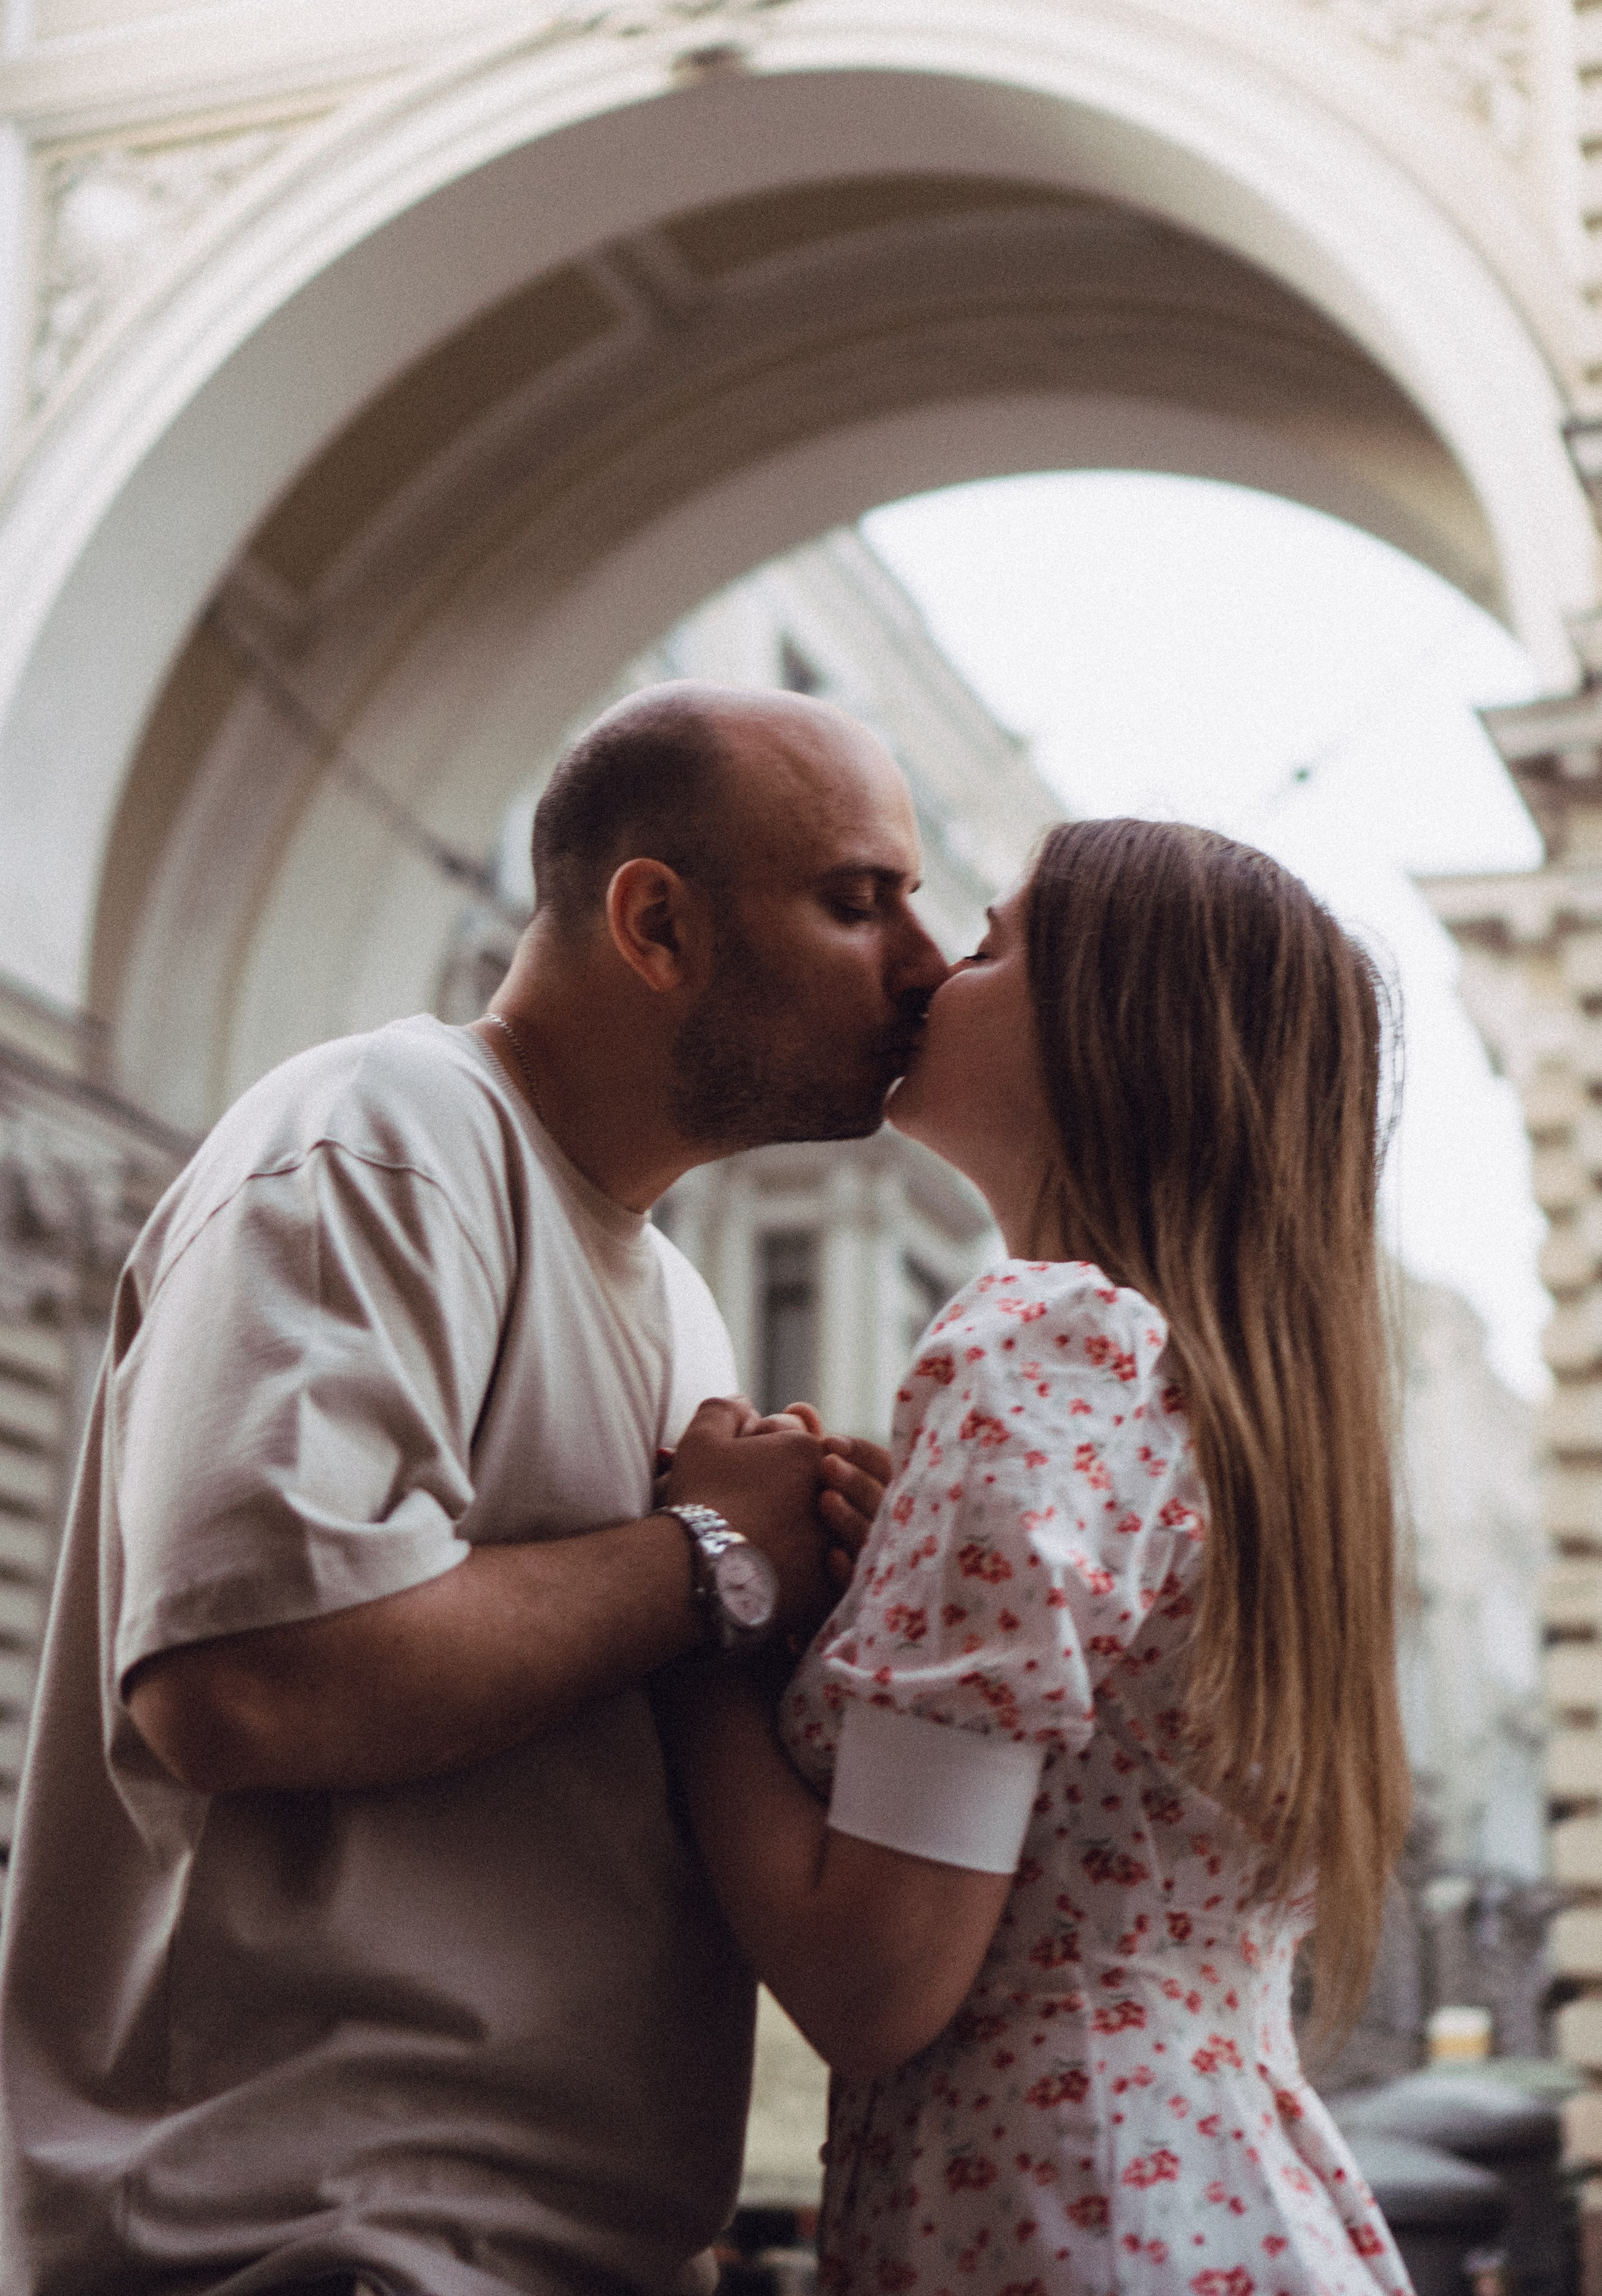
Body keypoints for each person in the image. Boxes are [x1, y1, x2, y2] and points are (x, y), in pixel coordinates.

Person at [0, 683, 949, 2296]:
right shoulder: (383, 1136)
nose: (921, 966)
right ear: (656, 922)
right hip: (318, 2238)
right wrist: (715, 1553)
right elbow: (248, 1681)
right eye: (857, 903)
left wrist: (796, 1583)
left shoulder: (675, 1293)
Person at [660, 817, 1415, 2296]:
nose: (936, 967)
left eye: (993, 944)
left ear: (1110, 1032)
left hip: (1068, 2220)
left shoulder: (1040, 1339)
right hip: (1224, 2204)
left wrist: (704, 1606)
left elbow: (872, 1978)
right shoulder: (1225, 1406)